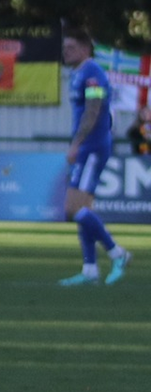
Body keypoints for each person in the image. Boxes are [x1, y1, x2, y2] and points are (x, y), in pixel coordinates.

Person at [60, 25, 128, 286]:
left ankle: (117, 252)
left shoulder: (92, 72)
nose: (65, 52)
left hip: (91, 147)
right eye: (64, 48)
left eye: (71, 48)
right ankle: (90, 270)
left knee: (72, 209)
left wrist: (77, 144)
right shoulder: (78, 73)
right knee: (83, 209)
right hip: (87, 146)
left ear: (86, 49)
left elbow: (94, 110)